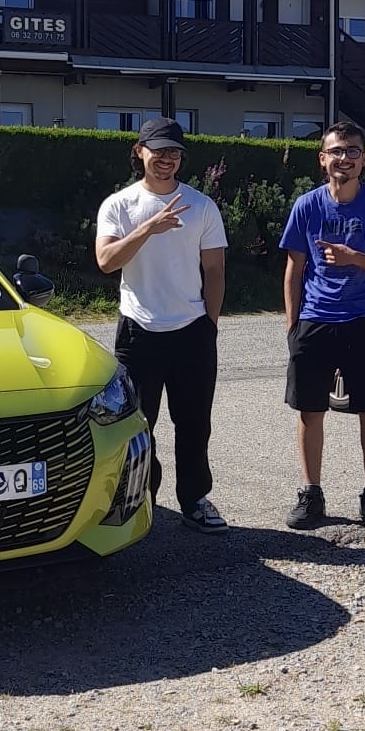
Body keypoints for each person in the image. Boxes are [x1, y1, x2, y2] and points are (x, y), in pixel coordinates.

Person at [95, 117, 228, 531]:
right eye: (159, 150)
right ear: (140, 152)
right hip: (138, 331)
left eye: (174, 152)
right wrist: (148, 228)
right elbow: (106, 261)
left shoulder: (201, 206)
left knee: (194, 424)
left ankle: (195, 500)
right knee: (138, 425)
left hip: (191, 331)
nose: (167, 159)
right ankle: (142, 503)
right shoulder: (119, 205)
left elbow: (215, 270)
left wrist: (209, 324)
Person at [279, 120, 365, 539]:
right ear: (323, 159)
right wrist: (293, 326)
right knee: (310, 411)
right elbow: (294, 269)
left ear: (363, 159)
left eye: (353, 151)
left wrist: (355, 257)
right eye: (336, 151)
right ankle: (311, 494)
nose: (344, 158)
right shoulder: (307, 206)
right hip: (316, 321)